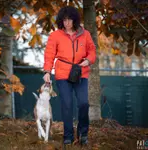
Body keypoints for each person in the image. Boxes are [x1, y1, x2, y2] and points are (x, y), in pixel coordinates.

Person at [43, 6, 96, 145]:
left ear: (75, 20)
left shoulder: (86, 34)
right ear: (61, 21)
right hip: (62, 74)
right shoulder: (55, 35)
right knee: (67, 104)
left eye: (70, 19)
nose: (67, 23)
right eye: (64, 20)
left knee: (84, 103)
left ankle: (83, 134)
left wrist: (88, 60)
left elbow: (92, 51)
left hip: (81, 72)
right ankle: (68, 136)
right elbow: (49, 54)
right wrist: (47, 71)